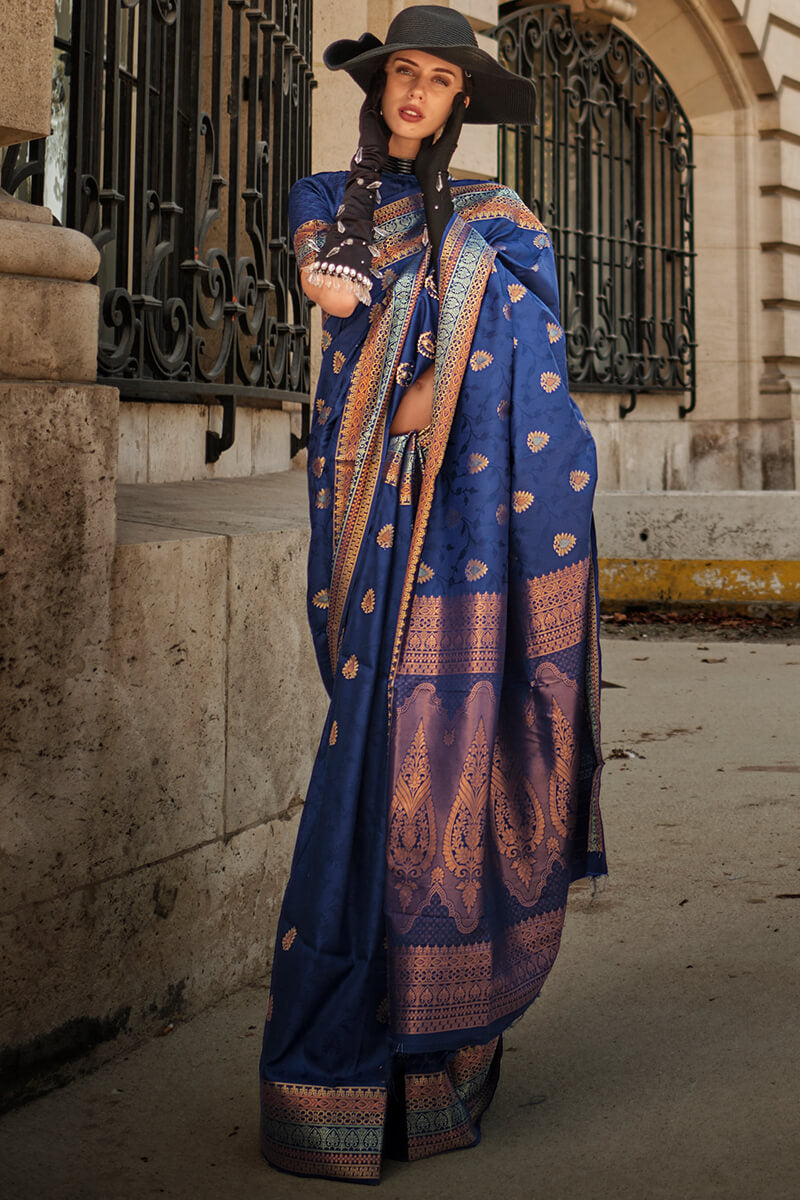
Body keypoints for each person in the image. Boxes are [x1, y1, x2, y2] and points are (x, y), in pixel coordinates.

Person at [259, 5, 606, 1184]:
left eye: (436, 80)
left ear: (462, 101)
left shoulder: (501, 223)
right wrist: (345, 289)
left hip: (473, 526)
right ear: (380, 88)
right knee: (372, 755)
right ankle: (337, 1077)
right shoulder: (325, 195)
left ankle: (439, 1078)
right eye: (400, 73)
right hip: (373, 514)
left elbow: (538, 350)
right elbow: (329, 288)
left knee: (453, 756)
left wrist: (449, 355)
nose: (414, 93)